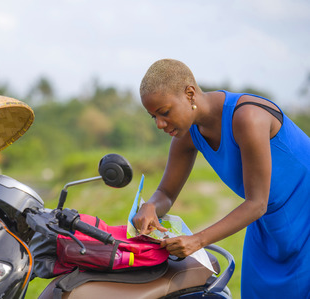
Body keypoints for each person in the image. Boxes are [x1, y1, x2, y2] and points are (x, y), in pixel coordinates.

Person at [132, 59, 310, 298]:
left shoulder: (248, 118)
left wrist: (197, 240)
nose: (160, 124)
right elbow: (166, 193)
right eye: (153, 117)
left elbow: (257, 203)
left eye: (164, 112)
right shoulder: (187, 135)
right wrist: (151, 206)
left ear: (190, 93)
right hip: (269, 228)